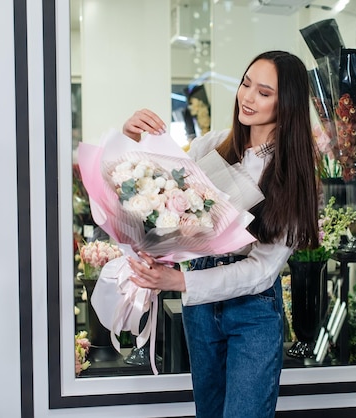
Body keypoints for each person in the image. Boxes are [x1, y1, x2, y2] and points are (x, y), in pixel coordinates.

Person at [124, 50, 320, 417]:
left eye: (264, 92)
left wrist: (180, 283)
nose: (247, 97)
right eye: (246, 84)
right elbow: (157, 193)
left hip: (253, 311)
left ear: (288, 102)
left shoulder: (295, 175)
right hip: (200, 311)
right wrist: (133, 138)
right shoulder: (208, 147)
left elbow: (262, 271)